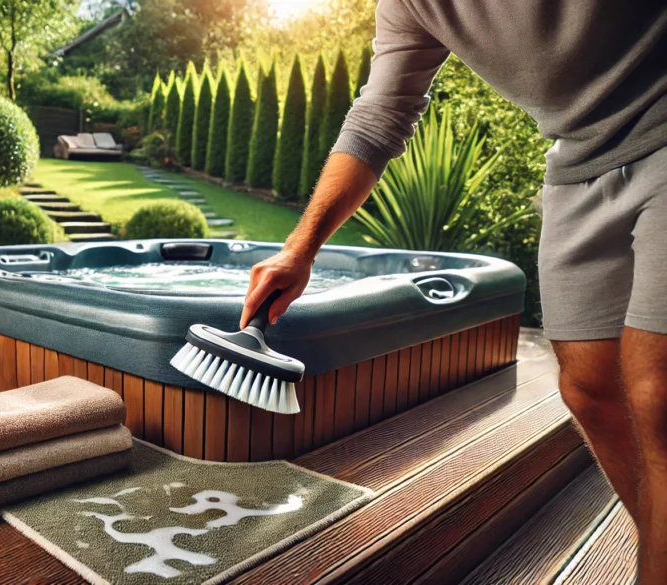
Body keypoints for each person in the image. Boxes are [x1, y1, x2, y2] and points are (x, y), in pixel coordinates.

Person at [242, 1, 666, 581]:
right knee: (590, 388)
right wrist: (300, 248)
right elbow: (378, 116)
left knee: (657, 389)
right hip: (580, 166)